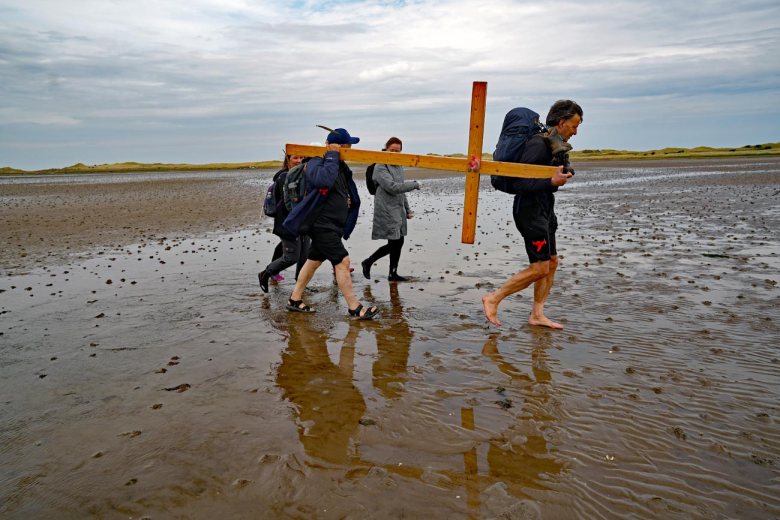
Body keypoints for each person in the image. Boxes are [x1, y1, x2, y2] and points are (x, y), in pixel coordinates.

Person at [481, 100, 583, 329]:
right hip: (529, 211)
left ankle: (537, 314)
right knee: (540, 267)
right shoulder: (538, 145)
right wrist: (550, 181)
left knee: (552, 262)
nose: (575, 132)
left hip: (546, 208)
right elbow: (521, 183)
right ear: (562, 121)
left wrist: (561, 175)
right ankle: (494, 298)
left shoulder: (552, 143)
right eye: (574, 126)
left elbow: (547, 175)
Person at [283, 128, 380, 320]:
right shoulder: (317, 162)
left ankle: (294, 299)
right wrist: (332, 155)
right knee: (342, 261)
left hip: (332, 225)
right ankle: (355, 308)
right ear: (338, 147)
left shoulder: (339, 166)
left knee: (313, 261)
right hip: (321, 224)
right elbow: (324, 180)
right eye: (348, 147)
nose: (351, 150)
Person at [361, 137, 420, 281]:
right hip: (386, 208)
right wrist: (414, 184)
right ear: (386, 149)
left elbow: (400, 190)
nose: (394, 153)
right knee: (395, 242)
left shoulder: (398, 165)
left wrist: (407, 209)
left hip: (398, 208)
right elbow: (392, 187)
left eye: (398, 151)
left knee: (398, 241)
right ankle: (368, 262)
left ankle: (392, 273)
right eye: (392, 150)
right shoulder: (380, 166)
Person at [258, 153, 310, 292]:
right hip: (288, 223)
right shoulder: (284, 177)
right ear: (288, 160)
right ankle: (265, 273)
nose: (299, 160)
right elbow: (290, 204)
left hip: (304, 222)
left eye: (302, 157)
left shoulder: (303, 174)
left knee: (304, 256)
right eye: (295, 158)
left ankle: (301, 285)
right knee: (291, 257)